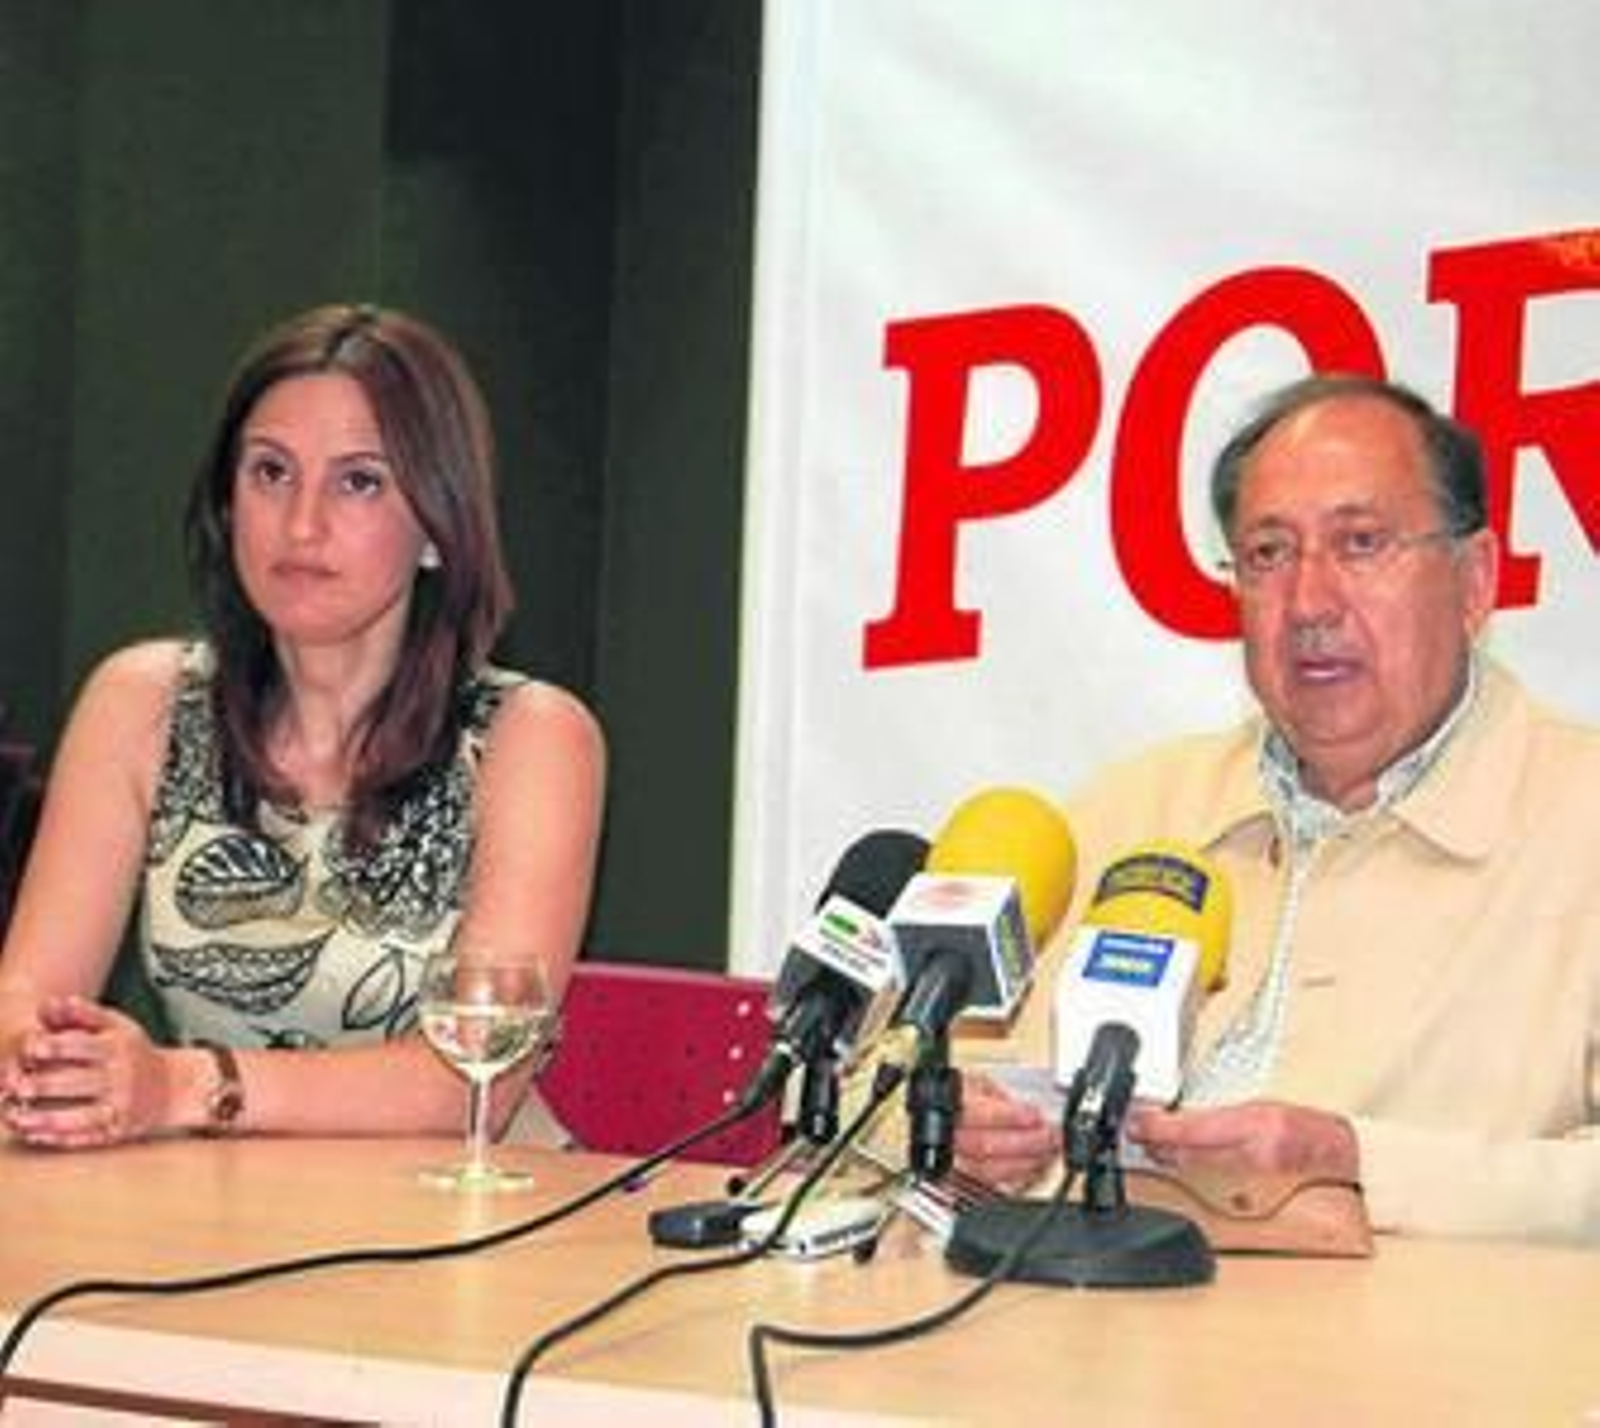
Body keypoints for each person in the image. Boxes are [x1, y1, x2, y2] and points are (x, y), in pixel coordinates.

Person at [955, 373, 1600, 1242]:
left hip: (1423, 1327)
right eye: (1268, 554)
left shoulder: (1578, 816)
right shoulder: (1133, 811)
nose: (1308, 603)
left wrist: (1358, 1163)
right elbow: (868, 1087)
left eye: (1361, 543)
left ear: (1475, 580)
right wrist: (947, 1125)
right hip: (1071, 1312)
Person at [0, 303, 606, 1148]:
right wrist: (50, 1063)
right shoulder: (141, 703)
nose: (302, 523)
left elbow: (471, 1085)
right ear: (227, 501)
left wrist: (183, 1084)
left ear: (438, 525)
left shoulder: (531, 738)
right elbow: (24, 998)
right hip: (209, 1200)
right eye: (270, 472)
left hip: (469, 1212)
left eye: (359, 482)